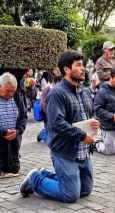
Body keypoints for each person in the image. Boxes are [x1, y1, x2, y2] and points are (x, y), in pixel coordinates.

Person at [19, 50, 100, 203]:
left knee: (85, 190)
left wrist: (95, 121)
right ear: (66, 69)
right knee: (70, 195)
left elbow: (91, 114)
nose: (83, 68)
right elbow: (57, 124)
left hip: (83, 153)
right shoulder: (57, 93)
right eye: (78, 65)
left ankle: (46, 174)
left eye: (82, 65)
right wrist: (82, 136)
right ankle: (35, 180)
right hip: (65, 151)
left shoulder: (84, 91)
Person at [0, 72, 28, 175]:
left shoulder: (16, 97)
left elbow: (24, 117)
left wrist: (18, 131)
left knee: (14, 169)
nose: (11, 94)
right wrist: (3, 131)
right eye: (8, 91)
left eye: (13, 91)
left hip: (13, 139)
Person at [37, 75, 63, 143]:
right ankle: (41, 134)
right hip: (48, 115)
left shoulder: (60, 90)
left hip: (57, 115)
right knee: (50, 139)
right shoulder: (46, 89)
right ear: (56, 82)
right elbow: (43, 104)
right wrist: (49, 114)